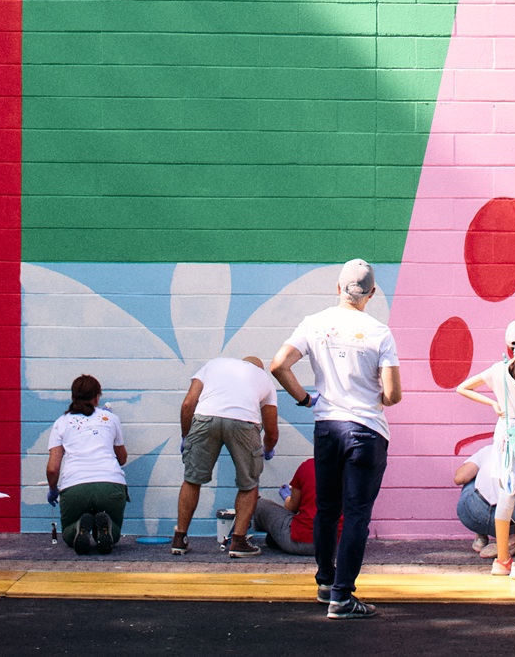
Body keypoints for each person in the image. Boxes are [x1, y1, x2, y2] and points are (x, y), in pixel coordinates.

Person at [271, 259, 401, 619]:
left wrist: (304, 399)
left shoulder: (314, 323)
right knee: (356, 515)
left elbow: (279, 364)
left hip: (327, 428)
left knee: (327, 510)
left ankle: (326, 583)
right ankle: (343, 597)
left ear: (338, 288)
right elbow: (393, 395)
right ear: (372, 293)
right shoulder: (379, 332)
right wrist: (374, 395)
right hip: (366, 431)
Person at [456, 319, 515, 582]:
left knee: (505, 499)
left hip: (504, 442)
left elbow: (462, 387)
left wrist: (492, 404)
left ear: (508, 346)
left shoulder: (497, 370)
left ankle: (502, 561)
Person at [171, 355, 279, 559]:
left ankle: (179, 538)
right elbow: (272, 430)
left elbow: (188, 404)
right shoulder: (265, 379)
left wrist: (186, 436)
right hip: (244, 423)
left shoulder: (213, 364)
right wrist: (267, 449)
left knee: (192, 480)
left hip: (205, 417)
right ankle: (238, 541)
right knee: (249, 483)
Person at [46, 374, 128, 555]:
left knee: (69, 535)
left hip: (75, 486)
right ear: (97, 397)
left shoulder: (61, 423)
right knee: (113, 533)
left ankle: (77, 528)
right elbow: (122, 459)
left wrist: (52, 489)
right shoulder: (110, 418)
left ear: (72, 397)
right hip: (110, 484)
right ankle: (106, 527)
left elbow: (53, 468)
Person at [251, 455, 317, 555]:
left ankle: (274, 537)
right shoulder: (343, 468)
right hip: (337, 546)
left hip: (302, 542)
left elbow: (291, 507)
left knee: (260, 504)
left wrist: (287, 496)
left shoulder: (308, 466)